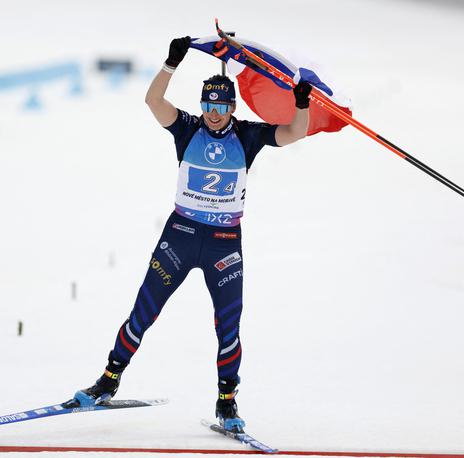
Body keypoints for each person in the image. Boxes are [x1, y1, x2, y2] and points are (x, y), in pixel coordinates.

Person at [63, 36, 312, 432]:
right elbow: (154, 102)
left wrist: (302, 103)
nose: (214, 113)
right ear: (202, 105)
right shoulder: (187, 129)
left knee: (228, 326)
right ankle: (108, 380)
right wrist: (170, 64)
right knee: (143, 311)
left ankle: (227, 402)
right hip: (179, 236)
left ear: (232, 106)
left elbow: (295, 133)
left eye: (221, 105)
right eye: (208, 104)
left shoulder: (247, 136)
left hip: (224, 247)